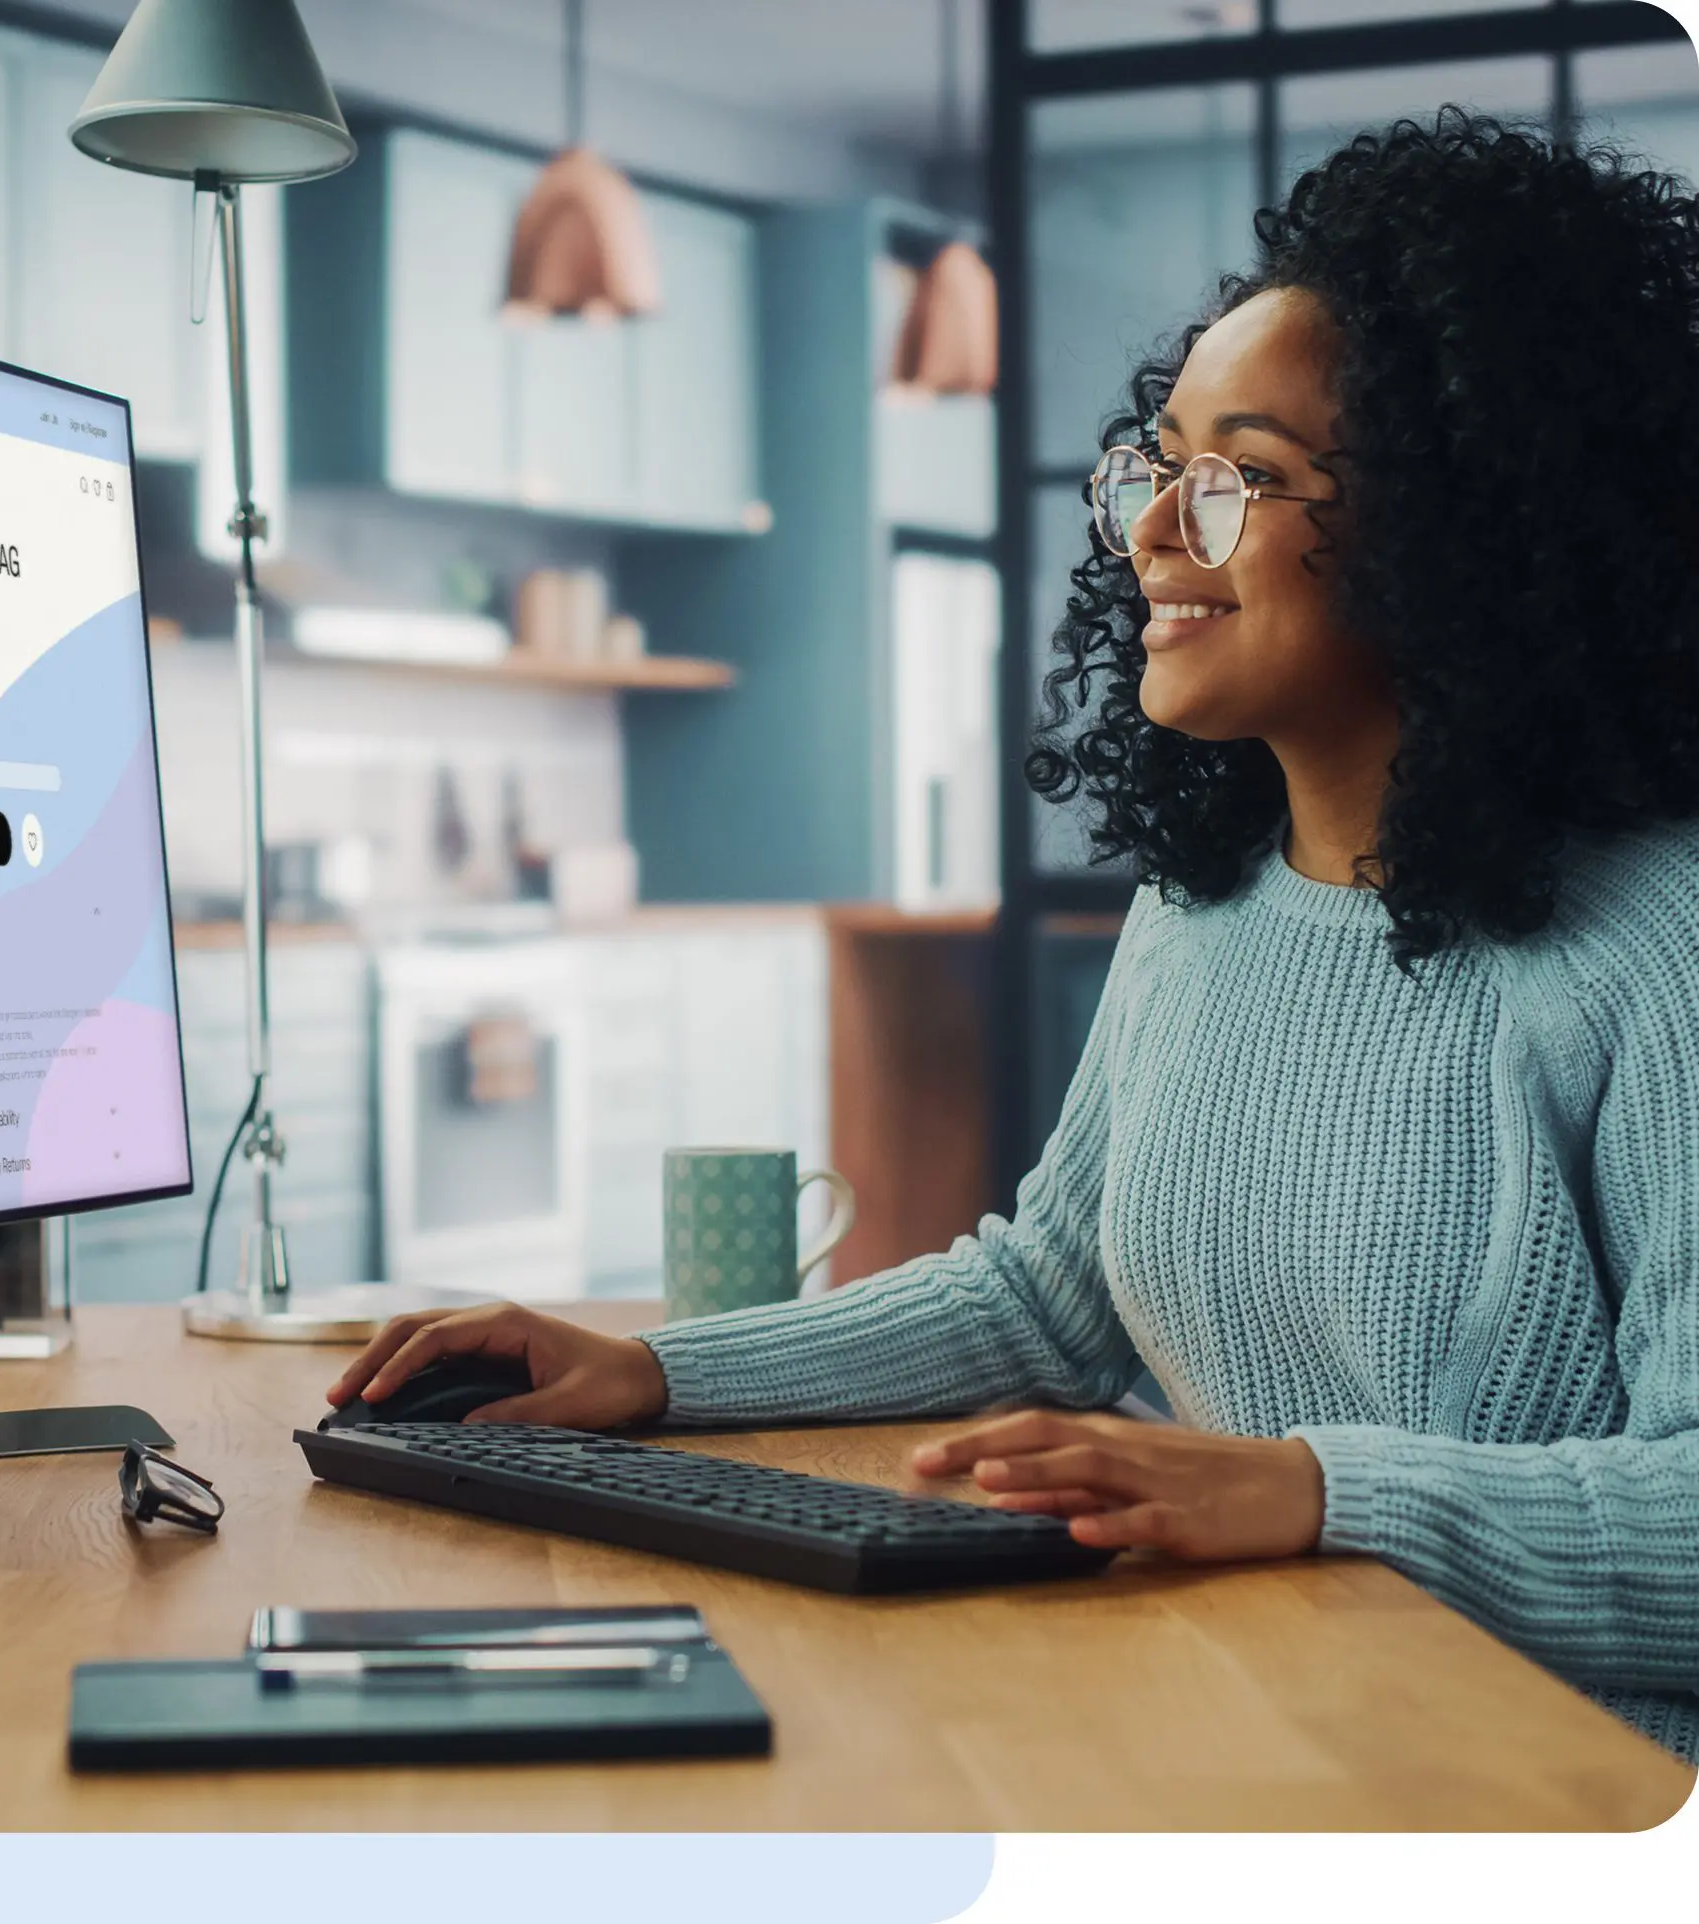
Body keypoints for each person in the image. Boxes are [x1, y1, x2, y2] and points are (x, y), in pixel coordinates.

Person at [328, 111, 1699, 1766]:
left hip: (1544, 1786)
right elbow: (1049, 1296)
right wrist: (650, 1371)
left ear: (1473, 522)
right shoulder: (1205, 906)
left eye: (1240, 479)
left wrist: (1306, 1487)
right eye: (1159, 463)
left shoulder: (1658, 954)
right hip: (1257, 1717)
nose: (1147, 533)